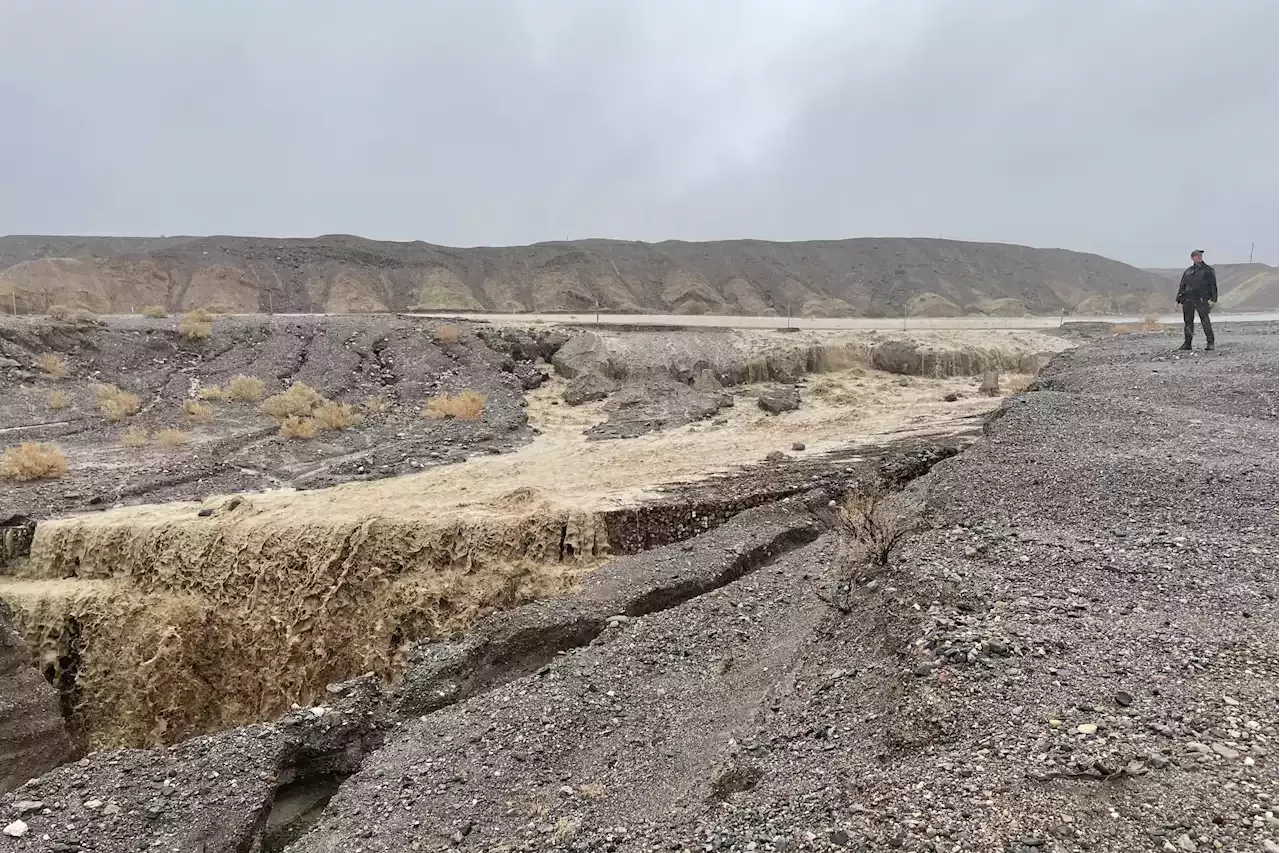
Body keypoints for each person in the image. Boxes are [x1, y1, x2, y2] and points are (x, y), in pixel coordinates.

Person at [1175, 249, 1217, 351]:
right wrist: (1178, 300)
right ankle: (1187, 343)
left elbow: (1213, 285)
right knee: (1188, 321)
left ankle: (1210, 343)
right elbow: (1182, 286)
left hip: (1201, 299)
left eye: (1200, 255)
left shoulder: (1208, 270)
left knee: (1205, 320)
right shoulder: (1188, 271)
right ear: (1193, 258)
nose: (1199, 257)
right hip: (1188, 299)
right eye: (1197, 255)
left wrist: (1213, 299)